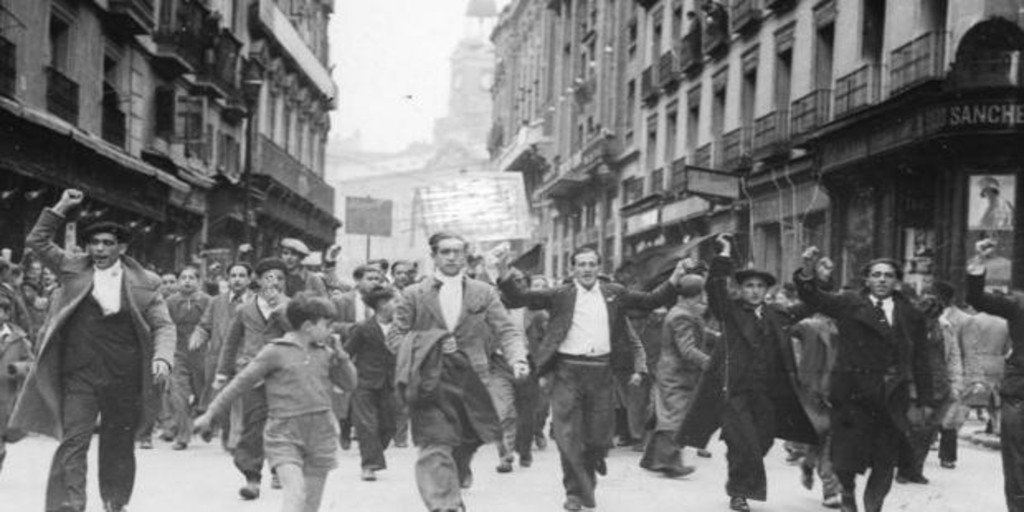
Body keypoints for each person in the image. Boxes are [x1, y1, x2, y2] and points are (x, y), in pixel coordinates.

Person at [8, 189, 175, 512]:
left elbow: (164, 325)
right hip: (79, 374)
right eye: (94, 243)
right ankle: (71, 503)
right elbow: (38, 242)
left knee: (118, 443)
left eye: (107, 243)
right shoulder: (72, 268)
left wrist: (162, 357)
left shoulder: (145, 282)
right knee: (74, 439)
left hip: (123, 376)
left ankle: (115, 501)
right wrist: (61, 206)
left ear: (122, 247)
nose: (99, 249)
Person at [497, 246, 687, 512]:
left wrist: (675, 278)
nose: (586, 269)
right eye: (581, 264)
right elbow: (518, 298)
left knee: (598, 437)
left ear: (598, 268)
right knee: (568, 435)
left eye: (591, 264)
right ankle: (575, 493)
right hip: (566, 371)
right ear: (572, 269)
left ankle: (594, 459)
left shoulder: (614, 293)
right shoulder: (560, 294)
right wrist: (504, 271)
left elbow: (651, 300)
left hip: (601, 373)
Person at [386, 231, 529, 512]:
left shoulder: (483, 292)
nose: (451, 257)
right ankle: (445, 506)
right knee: (435, 442)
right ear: (434, 257)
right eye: (445, 252)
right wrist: (431, 343)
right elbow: (395, 338)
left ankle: (459, 471)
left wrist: (518, 359)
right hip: (429, 380)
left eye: (457, 251)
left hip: (472, 379)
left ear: (465, 256)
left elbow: (506, 330)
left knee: (467, 440)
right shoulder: (414, 294)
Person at [677, 236, 819, 512]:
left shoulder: (777, 314)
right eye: (749, 286)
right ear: (740, 289)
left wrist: (809, 270)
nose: (754, 291)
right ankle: (739, 493)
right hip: (735, 391)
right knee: (745, 444)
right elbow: (715, 290)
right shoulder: (730, 312)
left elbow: (811, 305)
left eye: (760, 286)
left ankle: (739, 468)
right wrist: (724, 256)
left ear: (766, 290)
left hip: (767, 393)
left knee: (762, 441)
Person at [793, 246, 934, 512]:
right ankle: (847, 496)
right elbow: (813, 298)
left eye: (888, 275)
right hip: (852, 397)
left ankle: (873, 507)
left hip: (891, 397)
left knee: (885, 461)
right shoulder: (848, 303)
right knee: (846, 460)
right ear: (867, 279)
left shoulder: (911, 314)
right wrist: (808, 270)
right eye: (876, 275)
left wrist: (925, 400)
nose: (882, 280)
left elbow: (921, 360)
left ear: (897, 280)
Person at [195, 293, 357, 512]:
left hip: (321, 432)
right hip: (284, 433)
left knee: (311, 504)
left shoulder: (326, 353)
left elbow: (349, 383)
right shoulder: (275, 351)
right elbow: (240, 383)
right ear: (309, 326)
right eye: (327, 325)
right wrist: (210, 413)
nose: (332, 330)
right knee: (295, 493)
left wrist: (342, 357)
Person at [214, 258, 291, 500]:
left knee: (281, 424)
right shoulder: (245, 309)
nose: (274, 283)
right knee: (254, 424)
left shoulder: (291, 306)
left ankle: (279, 467)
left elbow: (297, 333)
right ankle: (252, 477)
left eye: (279, 278)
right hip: (252, 373)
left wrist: (280, 311)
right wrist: (222, 372)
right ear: (257, 280)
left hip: (283, 374)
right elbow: (231, 342)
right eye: (269, 277)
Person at [965, 238, 1024, 512]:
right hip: (1020, 397)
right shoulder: (1019, 305)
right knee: (1018, 465)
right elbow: (977, 299)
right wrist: (979, 264)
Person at [641, 273, 708, 478]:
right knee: (675, 416)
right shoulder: (682, 315)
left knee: (667, 414)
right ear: (696, 295)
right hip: (677, 374)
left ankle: (653, 459)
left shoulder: (681, 312)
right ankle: (671, 462)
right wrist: (709, 362)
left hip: (672, 371)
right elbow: (687, 349)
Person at [187, 262, 254, 446]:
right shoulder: (216, 302)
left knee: (240, 398)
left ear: (249, 279)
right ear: (228, 279)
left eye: (241, 276)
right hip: (218, 358)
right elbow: (204, 324)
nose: (237, 279)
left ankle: (234, 438)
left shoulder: (255, 302)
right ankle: (226, 430)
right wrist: (198, 336)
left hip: (244, 358)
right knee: (220, 397)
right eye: (233, 275)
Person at [346, 286, 400, 481]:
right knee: (366, 425)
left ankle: (375, 455)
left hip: (390, 383)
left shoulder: (401, 328)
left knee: (389, 426)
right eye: (395, 301)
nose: (398, 305)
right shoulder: (363, 328)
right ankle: (369, 464)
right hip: (364, 383)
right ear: (382, 305)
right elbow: (347, 354)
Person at [330, 263, 387, 449]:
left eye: (378, 279)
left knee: (367, 396)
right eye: (369, 279)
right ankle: (345, 429)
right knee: (347, 393)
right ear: (358, 280)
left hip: (373, 357)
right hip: (350, 351)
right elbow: (330, 325)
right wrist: (354, 329)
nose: (374, 283)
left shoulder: (384, 302)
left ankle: (368, 434)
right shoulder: (343, 301)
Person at [165, 265, 212, 450]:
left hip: (202, 353)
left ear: (198, 281)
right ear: (178, 282)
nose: (186, 281)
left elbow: (213, 326)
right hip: (178, 353)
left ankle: (206, 423)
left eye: (191, 277)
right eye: (183, 277)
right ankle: (182, 436)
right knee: (179, 394)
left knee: (203, 395)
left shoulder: (208, 301)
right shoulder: (170, 302)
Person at [934, 281, 970, 469]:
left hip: (951, 370)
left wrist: (962, 377)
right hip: (930, 372)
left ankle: (947, 456)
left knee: (950, 419)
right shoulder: (923, 314)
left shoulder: (964, 320)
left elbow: (966, 349)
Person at [0, 294, 33, 475]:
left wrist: (18, 368)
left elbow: (32, 364)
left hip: (6, 395)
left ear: (6, 314)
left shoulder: (18, 340)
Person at [391, 259, 417, 448]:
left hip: (411, 346)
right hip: (388, 344)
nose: (402, 276)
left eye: (406, 273)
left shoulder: (419, 293)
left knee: (404, 389)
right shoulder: (385, 293)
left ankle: (401, 435)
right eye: (398, 273)